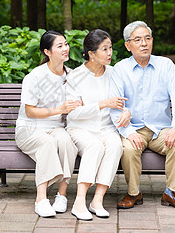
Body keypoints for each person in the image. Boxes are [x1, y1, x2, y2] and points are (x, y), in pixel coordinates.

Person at [109, 21, 175, 210]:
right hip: (133, 128)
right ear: (128, 45)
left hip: (160, 129)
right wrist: (129, 132)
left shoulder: (165, 65)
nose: (144, 43)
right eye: (138, 40)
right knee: (129, 150)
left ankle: (171, 193)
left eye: (148, 38)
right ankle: (134, 193)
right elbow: (115, 108)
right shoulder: (120, 69)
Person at [66, 29, 130, 221]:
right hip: (80, 128)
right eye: (104, 49)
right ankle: (79, 201)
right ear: (91, 54)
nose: (109, 53)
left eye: (110, 48)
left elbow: (127, 102)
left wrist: (127, 112)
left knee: (115, 145)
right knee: (94, 147)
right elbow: (74, 113)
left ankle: (98, 200)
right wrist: (102, 104)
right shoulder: (75, 76)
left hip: (107, 128)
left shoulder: (114, 73)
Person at [15, 30, 80, 218]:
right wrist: (60, 109)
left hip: (56, 128)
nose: (65, 48)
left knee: (67, 143)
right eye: (59, 46)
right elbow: (30, 111)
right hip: (30, 128)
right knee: (47, 143)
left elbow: (78, 102)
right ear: (47, 52)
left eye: (66, 44)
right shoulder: (35, 77)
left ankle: (62, 195)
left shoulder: (72, 75)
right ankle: (41, 199)